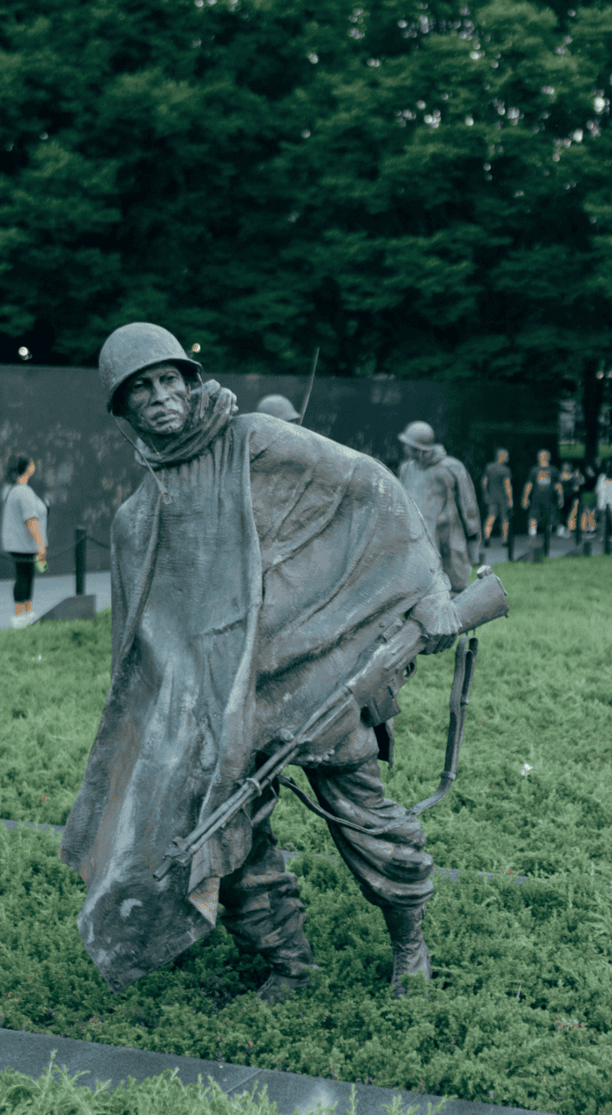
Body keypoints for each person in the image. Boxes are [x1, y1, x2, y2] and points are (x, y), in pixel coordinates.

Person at [60, 323, 462, 1000]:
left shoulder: (251, 440)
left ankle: (410, 947)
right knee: (231, 839)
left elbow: (367, 486)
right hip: (223, 706)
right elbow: (140, 649)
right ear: (122, 408)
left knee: (365, 821)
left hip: (316, 679)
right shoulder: (137, 519)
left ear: (189, 384)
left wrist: (428, 592)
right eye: (141, 390)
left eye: (169, 381)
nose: (160, 399)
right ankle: (288, 964)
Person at [397, 422, 481, 593]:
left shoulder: (451, 467)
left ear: (420, 448)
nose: (405, 448)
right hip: (417, 537)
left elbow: (468, 505)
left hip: (448, 534)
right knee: (419, 587)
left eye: (409, 445)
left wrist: (473, 537)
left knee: (453, 586)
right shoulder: (406, 469)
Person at [2, 455, 47, 629]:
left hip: (18, 543)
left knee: (26, 577)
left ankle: (26, 613)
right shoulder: (23, 491)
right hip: (25, 544)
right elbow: (31, 520)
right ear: (27, 468)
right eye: (32, 463)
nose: (34, 465)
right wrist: (40, 545)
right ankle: (20, 616)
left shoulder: (12, 490)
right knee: (23, 577)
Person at [521, 450, 563, 555]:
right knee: (533, 519)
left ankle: (546, 543)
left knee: (548, 522)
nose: (542, 457)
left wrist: (561, 497)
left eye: (544, 456)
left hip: (550, 500)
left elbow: (558, 485)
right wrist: (525, 497)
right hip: (536, 500)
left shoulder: (553, 470)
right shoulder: (534, 470)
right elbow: (529, 485)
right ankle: (532, 539)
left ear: (548, 457)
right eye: (540, 456)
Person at [481, 447, 513, 547]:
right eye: (506, 456)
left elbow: (484, 481)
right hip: (503, 498)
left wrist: (485, 493)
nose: (508, 458)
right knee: (504, 519)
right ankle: (504, 540)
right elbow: (507, 485)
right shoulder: (505, 470)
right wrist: (510, 499)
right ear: (501, 456)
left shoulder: (489, 467)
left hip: (492, 497)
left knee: (491, 517)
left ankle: (486, 538)